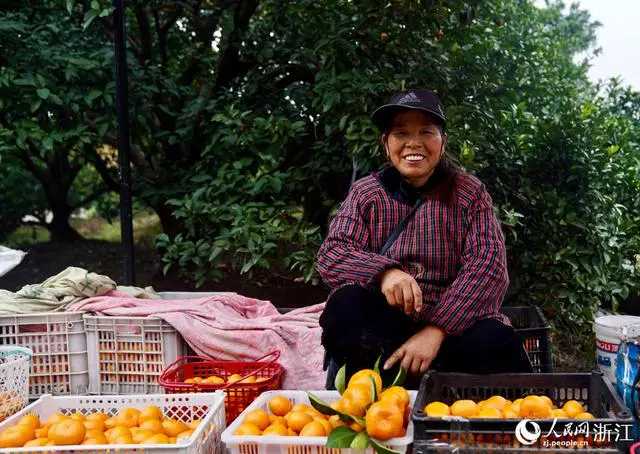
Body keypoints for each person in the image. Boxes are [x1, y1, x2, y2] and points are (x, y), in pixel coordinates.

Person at [316, 89, 533, 389]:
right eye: (401, 132)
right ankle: (389, 381)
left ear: (443, 142)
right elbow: (333, 253)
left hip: (452, 331)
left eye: (426, 132)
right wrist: (385, 273)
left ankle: (422, 377)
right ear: (386, 143)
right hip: (388, 329)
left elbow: (489, 268)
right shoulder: (367, 193)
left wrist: (436, 330)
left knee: (496, 341)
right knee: (344, 308)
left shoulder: (469, 193)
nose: (413, 143)